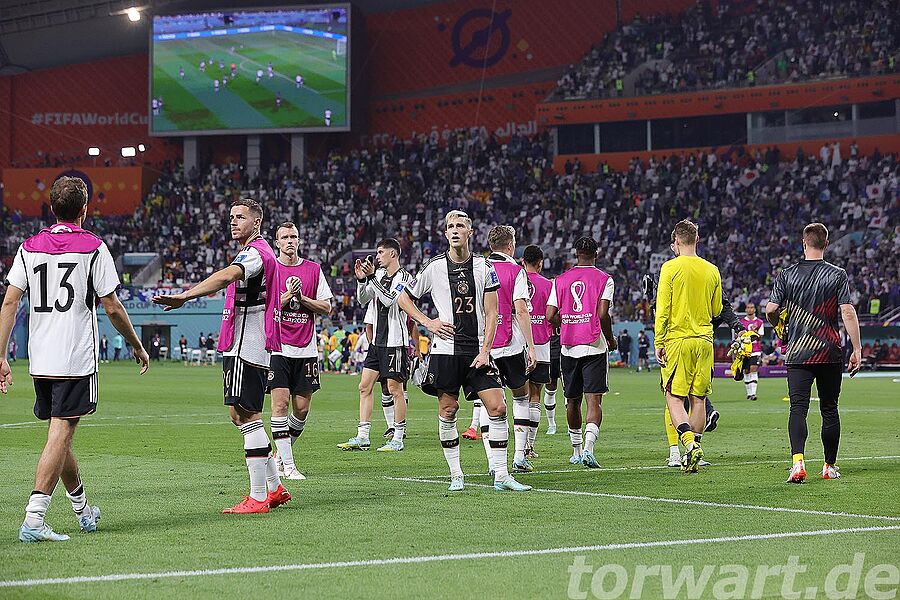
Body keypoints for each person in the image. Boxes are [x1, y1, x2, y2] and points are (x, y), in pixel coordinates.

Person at [0, 175, 149, 542]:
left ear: (52, 208)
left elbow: (10, 302)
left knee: (59, 435)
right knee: (60, 435)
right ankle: (34, 518)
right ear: (85, 209)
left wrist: (1, 355)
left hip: (40, 359)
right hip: (75, 358)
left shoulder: (28, 247)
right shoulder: (94, 247)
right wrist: (136, 344)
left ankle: (83, 511)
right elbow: (112, 306)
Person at [153, 198, 291, 514]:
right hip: (251, 343)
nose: (233, 222)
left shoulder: (255, 253)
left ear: (257, 222)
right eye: (231, 217)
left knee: (247, 415)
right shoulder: (259, 252)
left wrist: (186, 296)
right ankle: (274, 488)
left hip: (246, 344)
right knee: (240, 415)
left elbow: (227, 276)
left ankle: (258, 497)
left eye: (240, 217)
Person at [397, 210, 531, 492]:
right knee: (449, 410)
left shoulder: (484, 267)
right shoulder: (434, 267)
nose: (455, 230)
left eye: (460, 225)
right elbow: (404, 298)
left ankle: (501, 474)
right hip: (445, 351)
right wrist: (428, 322)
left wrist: (486, 350)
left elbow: (493, 313)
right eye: (450, 226)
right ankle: (456, 473)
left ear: (470, 232)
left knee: (498, 407)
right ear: (446, 233)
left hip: (477, 352)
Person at [765, 223, 862, 484]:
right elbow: (847, 311)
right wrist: (857, 348)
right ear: (826, 244)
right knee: (830, 409)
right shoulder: (837, 274)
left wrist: (779, 326)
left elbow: (770, 309)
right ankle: (829, 466)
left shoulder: (787, 274)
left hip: (798, 352)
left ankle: (798, 463)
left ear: (804, 243)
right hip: (829, 351)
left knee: (798, 408)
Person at [654, 220, 722, 473]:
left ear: (676, 241)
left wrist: (659, 341)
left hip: (678, 340)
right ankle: (696, 451)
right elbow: (716, 309)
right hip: (704, 341)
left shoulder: (670, 268)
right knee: (699, 399)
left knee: (673, 397)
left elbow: (663, 308)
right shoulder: (712, 270)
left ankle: (689, 444)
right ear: (697, 240)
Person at [269, 222, 333, 480]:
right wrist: (288, 295)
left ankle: (279, 457)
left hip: (306, 349)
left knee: (302, 409)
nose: (289, 241)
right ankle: (289, 465)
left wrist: (302, 298)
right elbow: (266, 306)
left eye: (293, 236)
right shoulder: (270, 269)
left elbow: (326, 307)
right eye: (284, 237)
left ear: (299, 240)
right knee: (280, 404)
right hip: (278, 348)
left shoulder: (313, 270)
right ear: (277, 243)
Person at [546, 237, 616, 469]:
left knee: (572, 401)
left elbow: (549, 315)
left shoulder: (560, 280)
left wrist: (567, 323)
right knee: (593, 400)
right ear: (597, 253)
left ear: (576, 253)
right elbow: (603, 314)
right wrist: (610, 338)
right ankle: (588, 449)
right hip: (594, 345)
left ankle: (575, 451)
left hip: (568, 347)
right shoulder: (605, 279)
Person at [338, 239, 413, 452]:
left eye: (380, 252)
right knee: (364, 386)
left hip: (395, 342)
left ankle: (397, 437)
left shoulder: (405, 277)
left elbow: (389, 300)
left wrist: (371, 277)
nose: (377, 256)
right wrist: (362, 280)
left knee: (395, 389)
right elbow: (363, 299)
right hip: (376, 343)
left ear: (393, 254)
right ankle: (363, 436)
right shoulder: (378, 275)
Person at [475, 226, 536, 473]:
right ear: (510, 246)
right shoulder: (516, 271)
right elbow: (520, 310)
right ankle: (519, 456)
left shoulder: (477, 268)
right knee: (520, 396)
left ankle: (492, 461)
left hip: (483, 346)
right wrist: (532, 347)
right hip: (511, 345)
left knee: (486, 403)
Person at [522, 244, 553, 457]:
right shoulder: (548, 285)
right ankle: (529, 446)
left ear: (523, 262)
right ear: (540, 263)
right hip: (541, 343)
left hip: (518, 342)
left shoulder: (517, 281)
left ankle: (519, 446)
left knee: (519, 397)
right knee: (535, 395)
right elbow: (553, 314)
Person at [739, 302, 765, 401]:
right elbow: (739, 336)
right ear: (746, 309)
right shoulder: (741, 322)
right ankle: (749, 393)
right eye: (748, 307)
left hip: (756, 350)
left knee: (753, 369)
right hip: (745, 350)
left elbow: (761, 337)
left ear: (755, 309)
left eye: (752, 307)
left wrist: (755, 331)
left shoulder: (759, 322)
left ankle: (753, 393)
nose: (750, 309)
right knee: (746, 371)